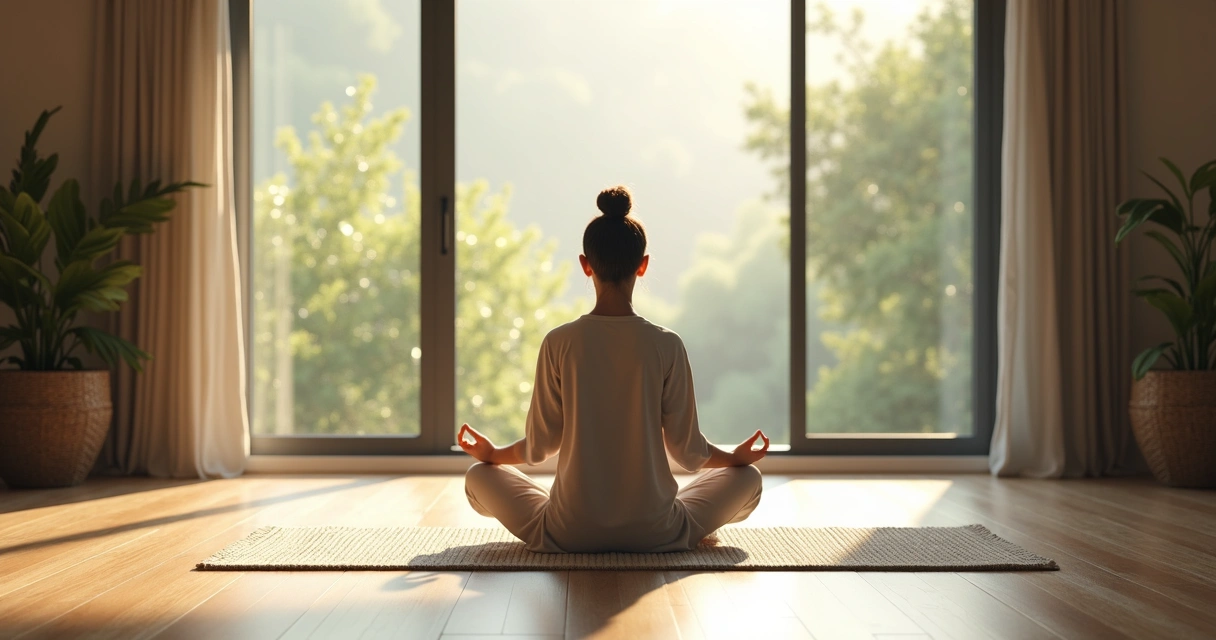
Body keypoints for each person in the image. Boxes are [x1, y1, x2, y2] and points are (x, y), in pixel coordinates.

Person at [458, 185, 769, 553]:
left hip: (567, 532)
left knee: (478, 476)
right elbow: (688, 453)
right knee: (748, 478)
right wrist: (735, 459)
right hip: (658, 532)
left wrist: (493, 455)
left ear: (585, 264)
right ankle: (687, 530)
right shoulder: (667, 344)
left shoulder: (558, 342)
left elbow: (540, 447)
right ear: (643, 265)